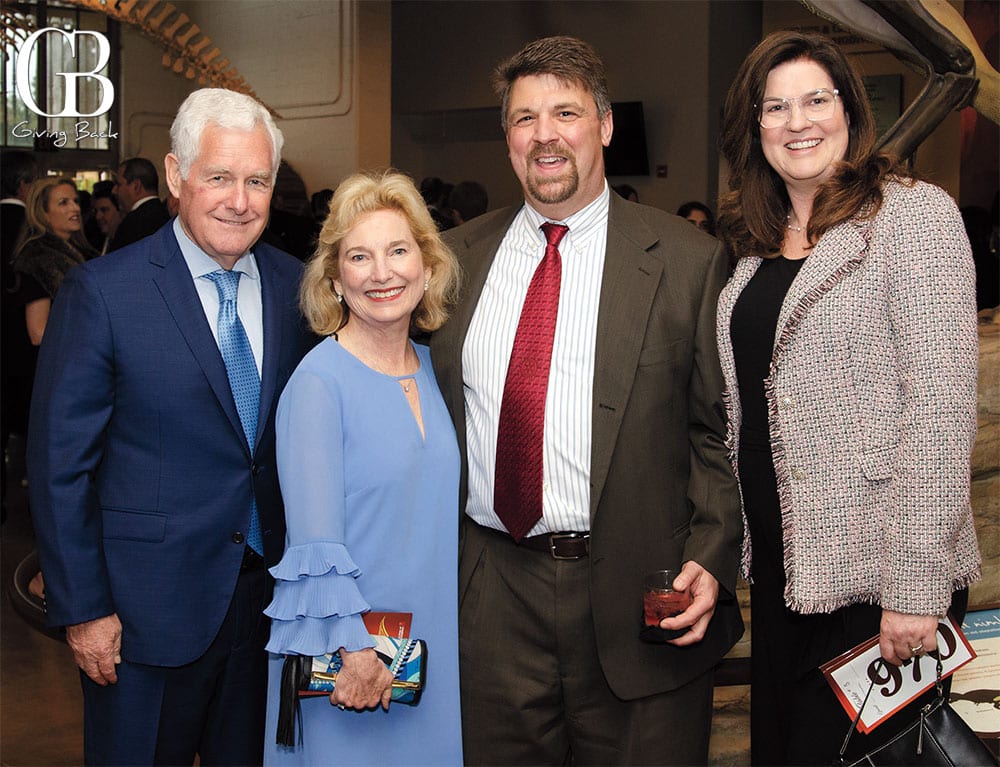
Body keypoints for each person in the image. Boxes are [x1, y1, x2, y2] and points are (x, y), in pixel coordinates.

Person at [430, 35, 743, 766]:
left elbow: (718, 434)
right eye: (523, 117)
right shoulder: (451, 261)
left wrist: (711, 556)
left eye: (564, 112)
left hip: (642, 593)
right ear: (506, 137)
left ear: (602, 125)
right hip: (491, 594)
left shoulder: (689, 262)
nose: (545, 134)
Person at [715, 30, 982, 766]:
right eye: (776, 107)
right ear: (755, 127)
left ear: (850, 111)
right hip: (784, 577)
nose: (798, 121)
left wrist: (915, 586)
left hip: (880, 582)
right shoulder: (755, 245)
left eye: (815, 100)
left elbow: (940, 408)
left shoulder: (913, 217)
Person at [27, 87, 316, 766]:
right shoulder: (103, 293)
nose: (239, 200)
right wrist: (84, 609)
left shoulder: (295, 286)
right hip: (140, 620)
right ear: (175, 175)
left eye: (257, 180)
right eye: (218, 177)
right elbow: (59, 464)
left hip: (265, 611)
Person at [263, 170, 463, 765]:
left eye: (398, 251)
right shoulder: (319, 383)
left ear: (427, 268)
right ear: (335, 280)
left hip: (430, 647)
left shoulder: (437, 370)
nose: (382, 273)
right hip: (352, 658)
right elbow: (312, 543)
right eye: (360, 256)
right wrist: (355, 654)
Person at [12, 177, 97, 345]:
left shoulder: (82, 252)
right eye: (63, 203)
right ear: (43, 213)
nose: (75, 208)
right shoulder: (38, 258)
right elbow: (38, 333)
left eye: (75, 201)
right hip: (53, 364)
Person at [108, 156, 170, 252]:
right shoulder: (168, 217)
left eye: (118, 184)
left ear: (136, 186)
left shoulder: (132, 224)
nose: (114, 191)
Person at [90, 180, 122, 256]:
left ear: (120, 210)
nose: (98, 217)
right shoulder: (97, 243)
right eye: (95, 211)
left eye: (104, 210)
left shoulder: (128, 243)